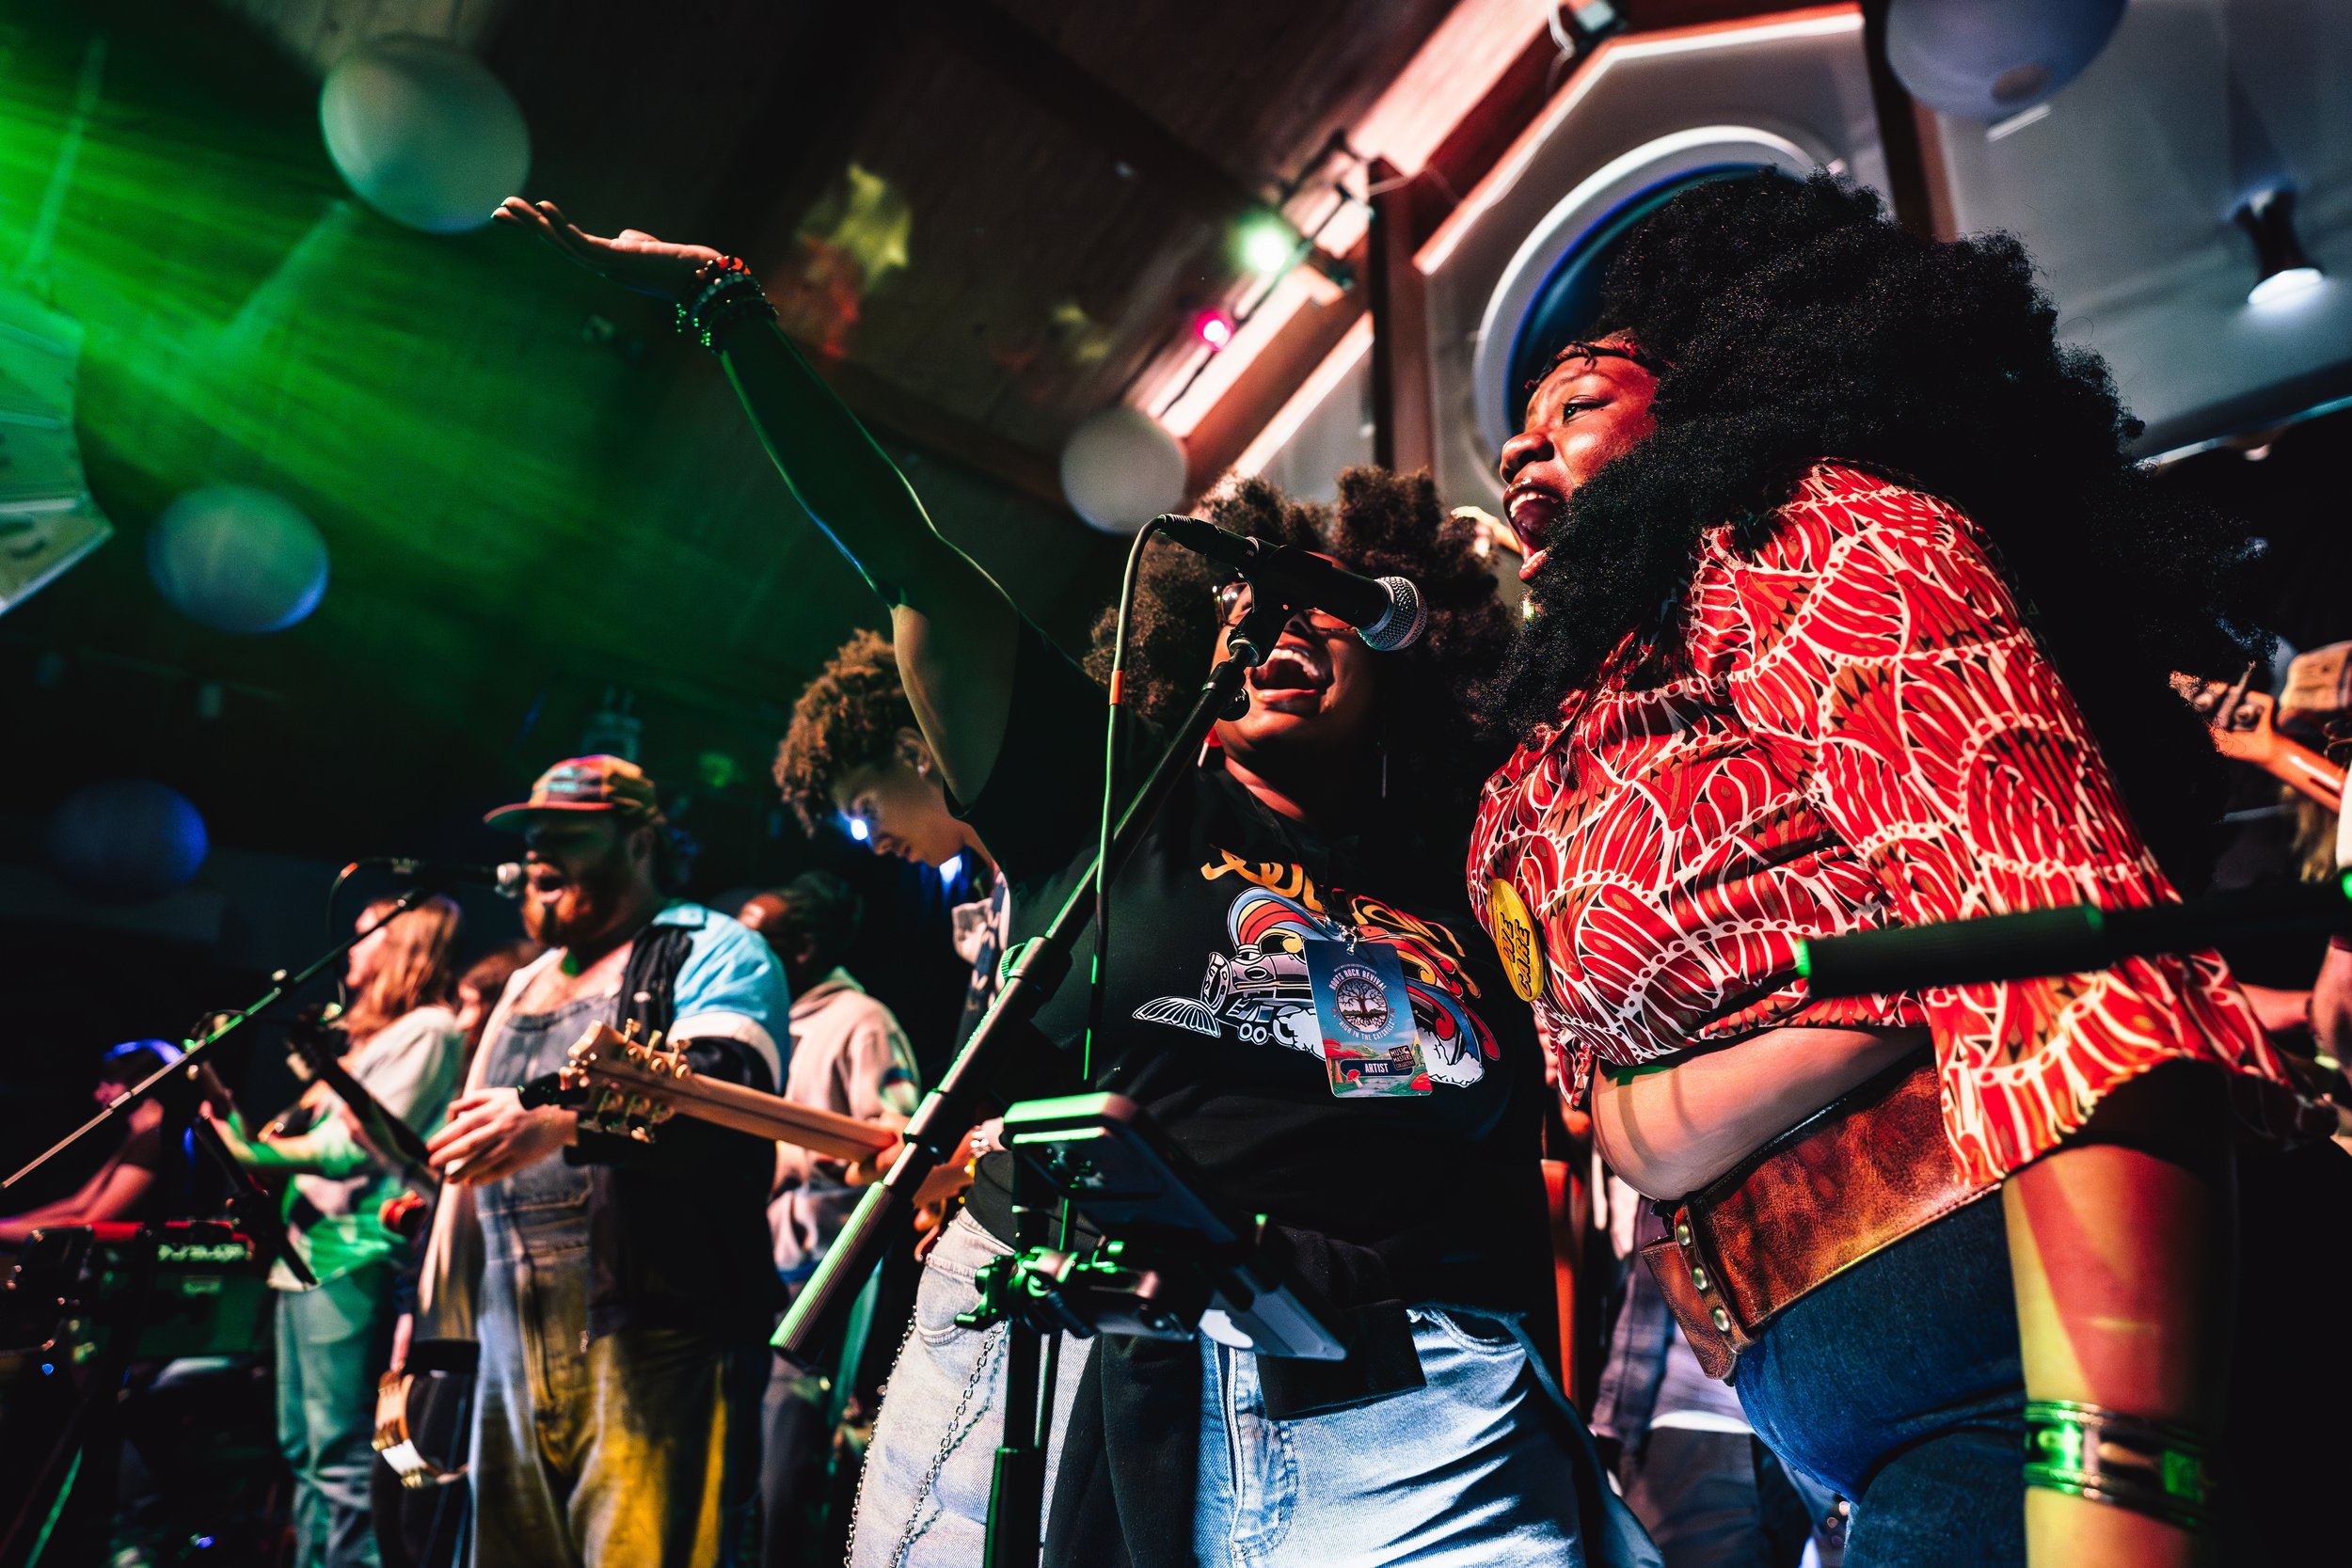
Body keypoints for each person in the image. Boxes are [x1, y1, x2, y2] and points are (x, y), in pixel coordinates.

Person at [491, 192, 1654, 1568]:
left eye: (1324, 607)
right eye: (1246, 611)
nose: (1282, 624)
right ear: (1195, 673)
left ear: (1403, 654)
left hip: (1417, 1402)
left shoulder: (1468, 868)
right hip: (1092, 1363)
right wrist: (727, 312)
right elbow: (905, 550)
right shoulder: (1102, 799)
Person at [1471, 171, 2347, 1566]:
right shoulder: (1539, 777)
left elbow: (2080, 977)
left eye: (1576, 405)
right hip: (1815, 1427)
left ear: (1716, 398)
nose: (1523, 456)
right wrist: (1858, 1022)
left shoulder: (1809, 542)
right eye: (1512, 438)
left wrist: (2114, 1474)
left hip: (2017, 1361)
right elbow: (1611, 1126)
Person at [416, 754, 790, 1568]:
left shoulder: (713, 947)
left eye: (567, 837)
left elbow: (726, 1095)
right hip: (507, 1327)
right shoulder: (524, 982)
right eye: (532, 840)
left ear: (642, 841)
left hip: (653, 1330)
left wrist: (559, 1121)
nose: (536, 857)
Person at [209, 896, 467, 1568]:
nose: (349, 949)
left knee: (340, 1450)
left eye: (364, 936)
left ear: (402, 945)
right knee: (301, 1447)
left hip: (352, 1250)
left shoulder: (430, 1029)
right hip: (307, 1252)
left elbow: (352, 1148)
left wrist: (247, 1153)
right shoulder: (368, 1039)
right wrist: (234, 1128)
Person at [739, 872, 921, 1568]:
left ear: (806, 947)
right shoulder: (762, 1017)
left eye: (757, 941)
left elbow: (899, 1139)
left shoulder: (861, 1019)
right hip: (744, 1274)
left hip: (819, 1282)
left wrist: (789, 1157)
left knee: (788, 1467)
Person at [0, 1039, 195, 1245]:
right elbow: (79, 1203)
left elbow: (90, 1223)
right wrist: (7, 1224)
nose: (98, 1093)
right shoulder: (140, 1137)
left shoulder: (154, 1140)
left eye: (110, 1082)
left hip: (136, 1267)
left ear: (143, 1083)